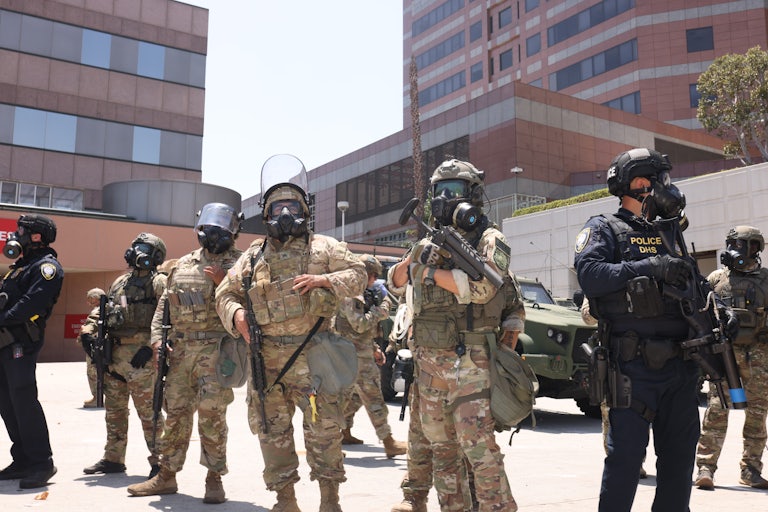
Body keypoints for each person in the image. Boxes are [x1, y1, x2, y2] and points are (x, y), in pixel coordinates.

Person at [573, 147, 738, 511]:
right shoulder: (603, 228)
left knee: (679, 463)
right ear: (640, 183)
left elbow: (696, 284)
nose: (669, 186)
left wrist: (721, 309)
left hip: (682, 369)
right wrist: (650, 267)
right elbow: (591, 275)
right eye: (662, 179)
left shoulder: (670, 232)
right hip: (633, 369)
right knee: (626, 462)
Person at [215, 154, 367, 512]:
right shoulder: (253, 255)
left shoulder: (324, 247)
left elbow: (359, 275)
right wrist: (237, 314)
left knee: (324, 432)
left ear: (305, 211)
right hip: (266, 360)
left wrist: (324, 279)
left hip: (314, 357)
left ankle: (330, 501)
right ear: (267, 214)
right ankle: (285, 501)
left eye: (293, 207)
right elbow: (224, 293)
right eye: (278, 208)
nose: (285, 214)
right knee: (272, 433)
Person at [388, 158, 515, 511]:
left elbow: (485, 288)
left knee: (480, 452)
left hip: (470, 363)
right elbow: (395, 283)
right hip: (430, 365)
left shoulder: (490, 238)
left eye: (454, 190)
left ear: (473, 194)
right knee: (442, 451)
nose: (445, 198)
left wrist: (428, 274)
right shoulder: (428, 238)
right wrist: (415, 261)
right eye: (440, 191)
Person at [127, 203, 244, 503]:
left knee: (212, 414)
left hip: (218, 350)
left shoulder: (242, 263)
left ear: (233, 231)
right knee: (176, 415)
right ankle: (166, 475)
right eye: (208, 226)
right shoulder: (183, 264)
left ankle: (214, 478)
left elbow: (251, 306)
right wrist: (157, 341)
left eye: (220, 227)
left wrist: (224, 282)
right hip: (180, 352)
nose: (213, 233)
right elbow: (164, 307)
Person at [82, 233, 168, 479]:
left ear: (155, 256)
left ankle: (161, 463)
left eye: (143, 248)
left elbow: (170, 317)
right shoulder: (121, 282)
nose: (136, 251)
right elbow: (105, 311)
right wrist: (88, 333)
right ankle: (113, 458)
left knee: (149, 414)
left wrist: (151, 346)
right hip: (114, 357)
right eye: (135, 247)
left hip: (142, 359)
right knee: (115, 411)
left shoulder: (159, 282)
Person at [695, 225, 768, 489]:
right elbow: (701, 312)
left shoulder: (766, 280)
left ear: (754, 247)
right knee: (717, 410)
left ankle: (750, 470)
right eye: (730, 243)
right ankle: (705, 468)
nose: (732, 249)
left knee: (757, 415)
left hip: (759, 357)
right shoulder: (717, 278)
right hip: (727, 356)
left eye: (739, 244)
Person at [0, 214, 63, 489]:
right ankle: (23, 459)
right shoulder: (19, 268)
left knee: (24, 401)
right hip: (5, 343)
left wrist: (2, 318)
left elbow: (31, 304)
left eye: (22, 231)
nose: (17, 235)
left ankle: (41, 463)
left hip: (22, 343)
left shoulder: (46, 268)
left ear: (37, 236)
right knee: (7, 403)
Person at [333, 254, 406, 458]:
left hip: (356, 353)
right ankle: (389, 442)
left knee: (353, 398)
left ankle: (343, 433)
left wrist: (374, 348)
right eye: (373, 276)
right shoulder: (351, 294)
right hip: (354, 357)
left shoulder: (360, 292)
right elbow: (360, 324)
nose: (374, 280)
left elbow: (358, 332)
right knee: (374, 398)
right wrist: (382, 310)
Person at [80, 288, 105, 408]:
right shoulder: (109, 308)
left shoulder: (97, 311)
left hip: (95, 346)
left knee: (93, 372)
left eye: (90, 299)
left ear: (95, 298)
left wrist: (83, 336)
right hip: (104, 345)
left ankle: (97, 397)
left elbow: (90, 327)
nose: (88, 302)